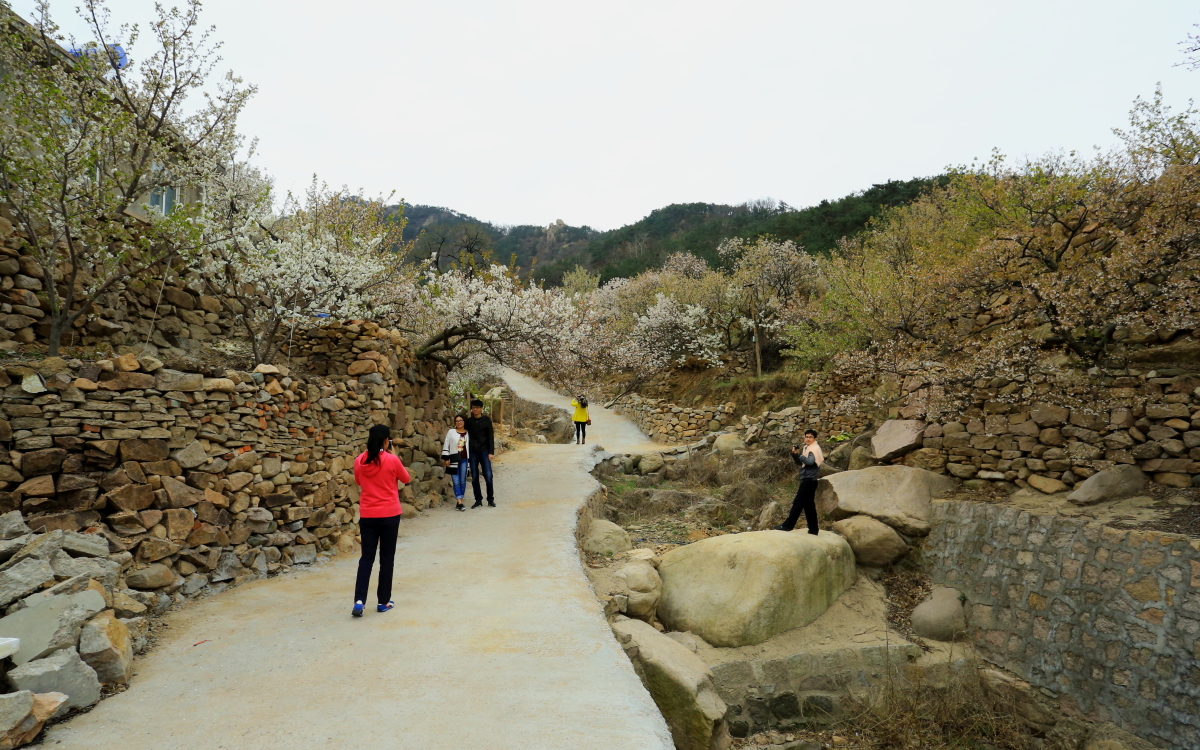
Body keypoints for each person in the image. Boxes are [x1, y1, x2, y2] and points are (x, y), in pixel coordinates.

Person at [351, 424, 411, 617]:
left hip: (368, 514)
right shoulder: (392, 460)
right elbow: (406, 478)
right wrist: (392, 454)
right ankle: (383, 601)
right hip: (389, 514)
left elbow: (360, 482)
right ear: (387, 440)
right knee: (387, 558)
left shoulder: (359, 460)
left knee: (366, 558)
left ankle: (359, 600)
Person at [778, 429, 823, 535]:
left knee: (798, 503)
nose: (808, 439)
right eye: (806, 436)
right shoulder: (807, 448)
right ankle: (813, 530)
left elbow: (810, 462)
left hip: (809, 480)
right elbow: (801, 463)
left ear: (815, 439)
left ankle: (787, 525)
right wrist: (795, 454)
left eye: (810, 437)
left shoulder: (815, 448)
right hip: (809, 480)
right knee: (809, 507)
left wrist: (802, 456)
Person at [463, 398, 495, 508]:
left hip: (484, 451)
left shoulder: (486, 420)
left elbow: (490, 437)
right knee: (475, 477)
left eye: (477, 408)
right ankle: (478, 500)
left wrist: (491, 452)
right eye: (473, 408)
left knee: (488, 476)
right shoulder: (468, 422)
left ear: (481, 409)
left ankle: (490, 499)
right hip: (472, 452)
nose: (475, 409)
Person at [441, 414, 470, 512]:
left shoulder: (468, 433)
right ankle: (460, 502)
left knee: (462, 481)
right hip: (453, 459)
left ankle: (459, 501)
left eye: (461, 420)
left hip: (464, 460)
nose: (459, 422)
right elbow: (446, 444)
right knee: (456, 481)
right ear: (454, 423)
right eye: (457, 421)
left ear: (464, 422)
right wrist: (446, 458)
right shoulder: (451, 432)